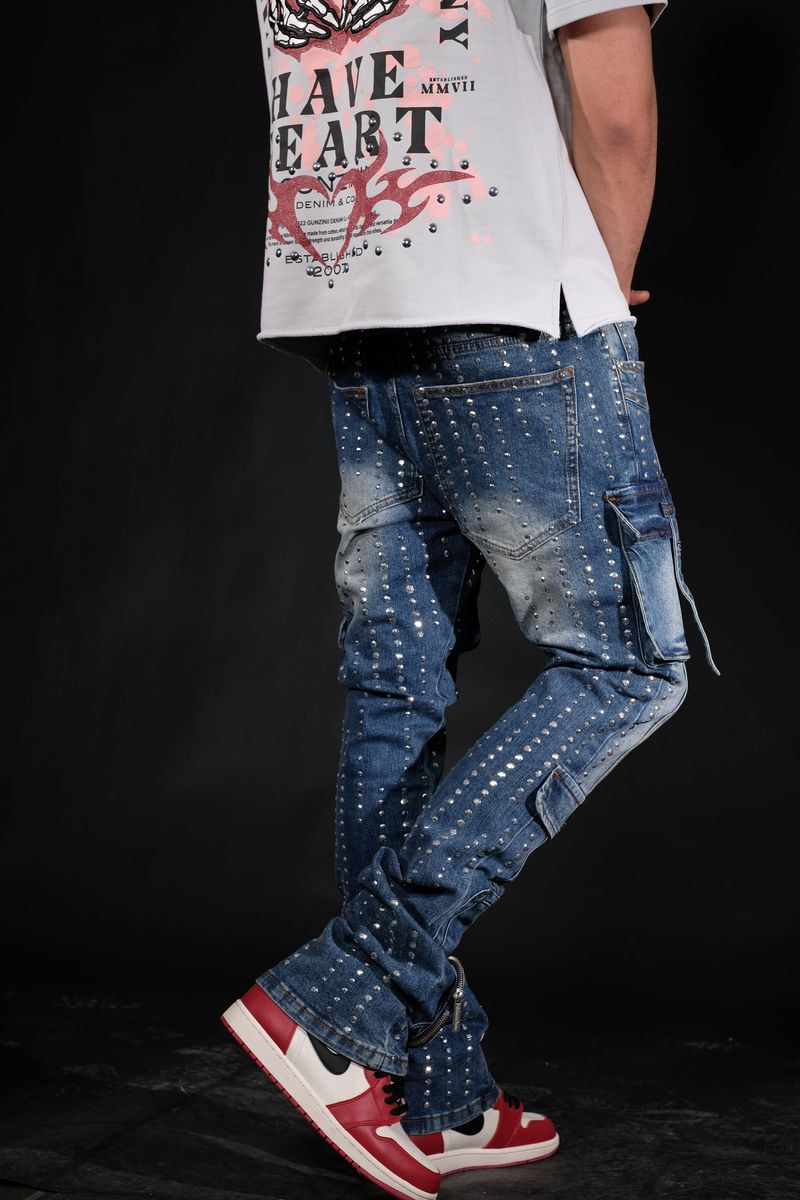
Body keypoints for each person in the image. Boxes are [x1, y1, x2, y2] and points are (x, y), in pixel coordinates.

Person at [221, 2, 720, 1196]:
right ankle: (337, 997)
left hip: (350, 300)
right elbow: (615, 112)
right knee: (627, 663)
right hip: (508, 298)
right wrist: (601, 288)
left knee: (392, 690)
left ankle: (430, 1093)